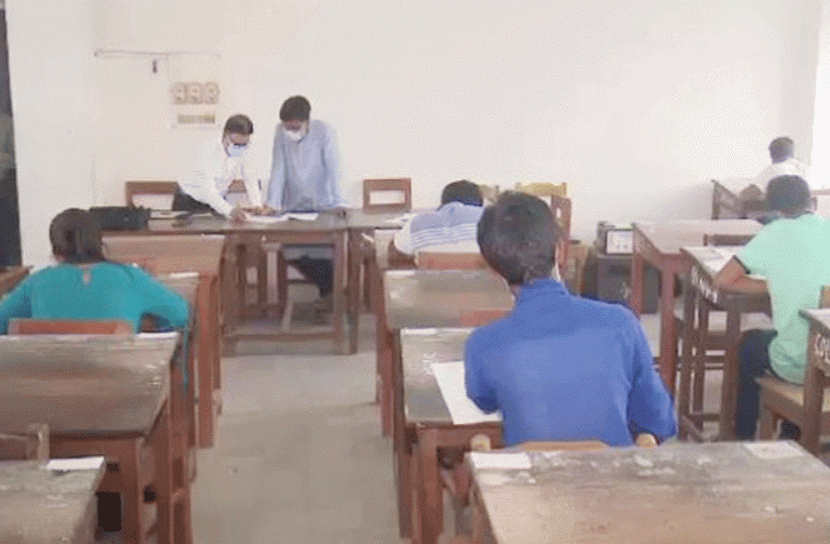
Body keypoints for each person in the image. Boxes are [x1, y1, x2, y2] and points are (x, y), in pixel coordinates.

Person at [464, 192, 676, 447]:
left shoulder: (483, 343)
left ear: (492, 269)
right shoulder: (621, 324)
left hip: (530, 472)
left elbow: (485, 401)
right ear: (561, 251)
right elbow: (659, 421)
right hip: (612, 471)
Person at [713, 175, 830, 440]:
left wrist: (774, 285)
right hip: (827, 354)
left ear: (773, 211)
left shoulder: (772, 234)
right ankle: (791, 431)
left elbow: (723, 279)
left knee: (748, 346)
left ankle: (741, 435)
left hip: (799, 363)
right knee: (795, 337)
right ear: (812, 202)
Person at [0, 208, 189, 334]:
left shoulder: (36, 282)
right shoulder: (131, 277)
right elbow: (181, 315)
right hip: (121, 381)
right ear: (100, 243)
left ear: (56, 252)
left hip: (50, 381)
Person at [264, 96, 348, 304]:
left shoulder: (324, 131)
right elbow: (278, 168)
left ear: (306, 121)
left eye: (295, 127)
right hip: (294, 204)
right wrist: (272, 204)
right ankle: (330, 290)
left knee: (325, 249)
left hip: (323, 203)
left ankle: (330, 296)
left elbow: (334, 167)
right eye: (288, 127)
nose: (291, 131)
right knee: (291, 250)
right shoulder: (280, 132)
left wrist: (340, 201)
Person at [175, 114, 264, 221]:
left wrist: (257, 205)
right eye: (236, 144)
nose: (240, 148)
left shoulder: (244, 150)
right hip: (190, 202)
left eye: (244, 144)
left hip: (218, 202)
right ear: (226, 135)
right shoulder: (208, 151)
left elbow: (250, 177)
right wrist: (230, 210)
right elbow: (209, 192)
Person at [392, 179, 484, 260]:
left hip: (430, 274)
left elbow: (398, 250)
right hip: (480, 274)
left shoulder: (415, 223)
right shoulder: (487, 219)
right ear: (480, 203)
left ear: (443, 201)